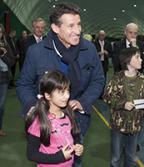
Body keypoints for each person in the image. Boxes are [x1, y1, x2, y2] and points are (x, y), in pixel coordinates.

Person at [16, 3, 105, 166]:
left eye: (79, 24)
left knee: (74, 161)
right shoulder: (37, 52)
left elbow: (98, 80)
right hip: (45, 122)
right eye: (71, 26)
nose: (78, 30)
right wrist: (33, 107)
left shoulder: (89, 49)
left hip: (77, 120)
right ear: (56, 28)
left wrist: (83, 101)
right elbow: (24, 84)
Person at [103, 47, 144, 167]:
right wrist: (122, 104)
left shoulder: (143, 80)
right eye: (137, 57)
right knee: (115, 158)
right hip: (118, 124)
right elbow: (107, 97)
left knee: (131, 157)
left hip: (135, 125)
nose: (141, 60)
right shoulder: (117, 78)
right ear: (128, 60)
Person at [26, 70, 83, 166]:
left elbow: (75, 135)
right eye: (61, 92)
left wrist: (78, 146)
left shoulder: (69, 115)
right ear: (48, 95)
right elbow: (31, 154)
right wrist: (59, 157)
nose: (67, 96)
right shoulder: (39, 121)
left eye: (68, 91)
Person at [0, 23, 15, 137]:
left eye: (0, 32)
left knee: (1, 106)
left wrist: (3, 54)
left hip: (3, 78)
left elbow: (12, 62)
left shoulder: (6, 45)